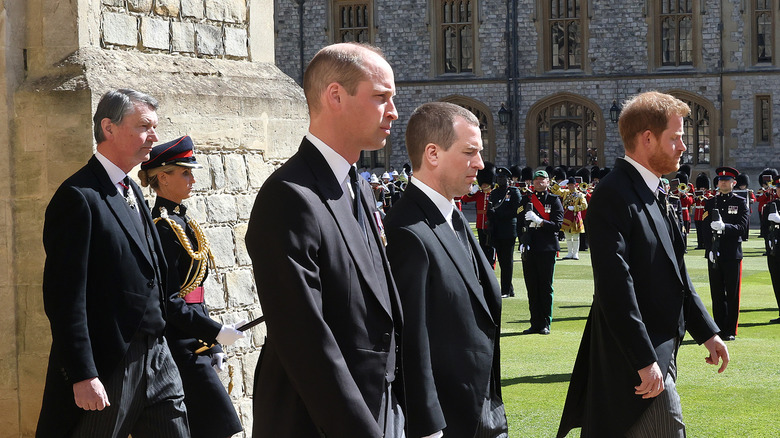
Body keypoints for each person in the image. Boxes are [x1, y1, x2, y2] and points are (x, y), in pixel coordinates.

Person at [244, 42, 404, 437]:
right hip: (321, 421)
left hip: (380, 408)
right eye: (381, 97)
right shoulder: (289, 196)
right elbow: (305, 341)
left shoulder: (357, 186)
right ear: (335, 95)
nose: (393, 112)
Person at [557, 91, 729, 438]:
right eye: (676, 137)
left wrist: (706, 331)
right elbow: (615, 286)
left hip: (661, 353)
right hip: (635, 360)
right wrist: (642, 359)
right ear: (647, 138)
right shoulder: (613, 194)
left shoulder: (654, 191)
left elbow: (675, 271)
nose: (683, 146)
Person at [37, 89, 191, 437]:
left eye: (155, 127)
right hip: (112, 362)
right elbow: (65, 298)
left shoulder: (132, 189)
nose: (153, 136)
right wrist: (82, 373)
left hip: (158, 354)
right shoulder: (78, 198)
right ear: (108, 127)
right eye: (143, 126)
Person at [384, 101, 508, 438]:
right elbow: (412, 339)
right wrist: (427, 427)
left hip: (483, 406)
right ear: (433, 154)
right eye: (469, 152)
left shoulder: (452, 217)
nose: (480, 164)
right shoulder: (408, 230)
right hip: (448, 420)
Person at [138, 135, 244, 438]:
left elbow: (195, 290)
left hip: (197, 344)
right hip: (179, 347)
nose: (192, 179)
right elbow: (170, 301)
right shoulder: (164, 227)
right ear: (162, 177)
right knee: (217, 425)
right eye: (185, 172)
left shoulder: (182, 222)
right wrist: (213, 332)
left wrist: (214, 341)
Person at [700, 167, 749, 341]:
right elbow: (705, 229)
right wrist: (709, 250)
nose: (723, 182)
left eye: (727, 180)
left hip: (731, 254)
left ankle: (730, 329)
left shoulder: (741, 202)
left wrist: (724, 227)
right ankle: (718, 328)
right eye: (721, 180)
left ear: (733, 183)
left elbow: (742, 229)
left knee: (732, 293)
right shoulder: (711, 202)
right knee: (717, 293)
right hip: (715, 253)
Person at [517, 170, 563, 334]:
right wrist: (521, 241)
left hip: (547, 248)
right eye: (536, 179)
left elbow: (558, 224)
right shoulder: (525, 200)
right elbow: (519, 223)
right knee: (532, 287)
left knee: (545, 287)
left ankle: (545, 323)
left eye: (542, 179)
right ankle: (534, 322)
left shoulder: (554, 200)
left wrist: (540, 221)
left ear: (548, 182)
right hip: (530, 248)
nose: (539, 182)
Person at [489, 167, 522, 297]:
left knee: (507, 261)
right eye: (498, 177)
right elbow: (491, 208)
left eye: (503, 178)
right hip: (496, 230)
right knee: (501, 260)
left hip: (508, 229)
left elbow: (517, 210)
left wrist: (499, 213)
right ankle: (509, 288)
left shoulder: (514, 192)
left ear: (508, 179)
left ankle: (506, 290)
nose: (500, 179)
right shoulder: (495, 192)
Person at [461, 162, 497, 265]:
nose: (484, 185)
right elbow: (465, 199)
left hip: (490, 224)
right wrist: (472, 191)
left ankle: (492, 263)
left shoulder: (493, 193)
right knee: (482, 246)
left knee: (491, 246)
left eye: (486, 184)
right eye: (482, 184)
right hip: (480, 224)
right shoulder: (479, 194)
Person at [762, 177, 780, 323]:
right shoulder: (770, 206)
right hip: (774, 250)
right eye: (778, 187)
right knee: (776, 280)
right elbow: (764, 230)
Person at [560, 177, 587, 260]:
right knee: (568, 237)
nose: (570, 186)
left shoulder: (579, 194)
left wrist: (575, 207)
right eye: (569, 185)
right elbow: (554, 191)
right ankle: (569, 253)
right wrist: (559, 185)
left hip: (575, 217)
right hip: (566, 217)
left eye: (572, 185)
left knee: (575, 237)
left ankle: (575, 253)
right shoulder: (565, 193)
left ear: (575, 185)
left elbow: (585, 206)